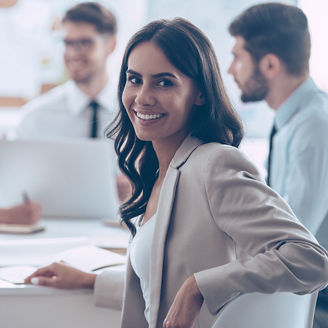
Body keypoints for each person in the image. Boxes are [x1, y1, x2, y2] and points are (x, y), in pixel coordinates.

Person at [25, 18, 328, 328]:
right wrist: (91, 281)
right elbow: (161, 292)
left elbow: (311, 259)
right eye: (134, 79)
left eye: (164, 82)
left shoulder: (215, 165)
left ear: (199, 93)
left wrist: (199, 287)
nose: (142, 96)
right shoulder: (162, 172)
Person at [227, 3, 328, 327]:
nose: (231, 70)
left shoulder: (315, 127)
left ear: (269, 64)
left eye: (238, 57)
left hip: (312, 304)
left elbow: (292, 243)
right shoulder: (291, 121)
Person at [17, 2, 117, 140]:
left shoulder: (135, 115)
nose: (73, 54)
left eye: (85, 43)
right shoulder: (34, 119)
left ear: (111, 45)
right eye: (67, 43)